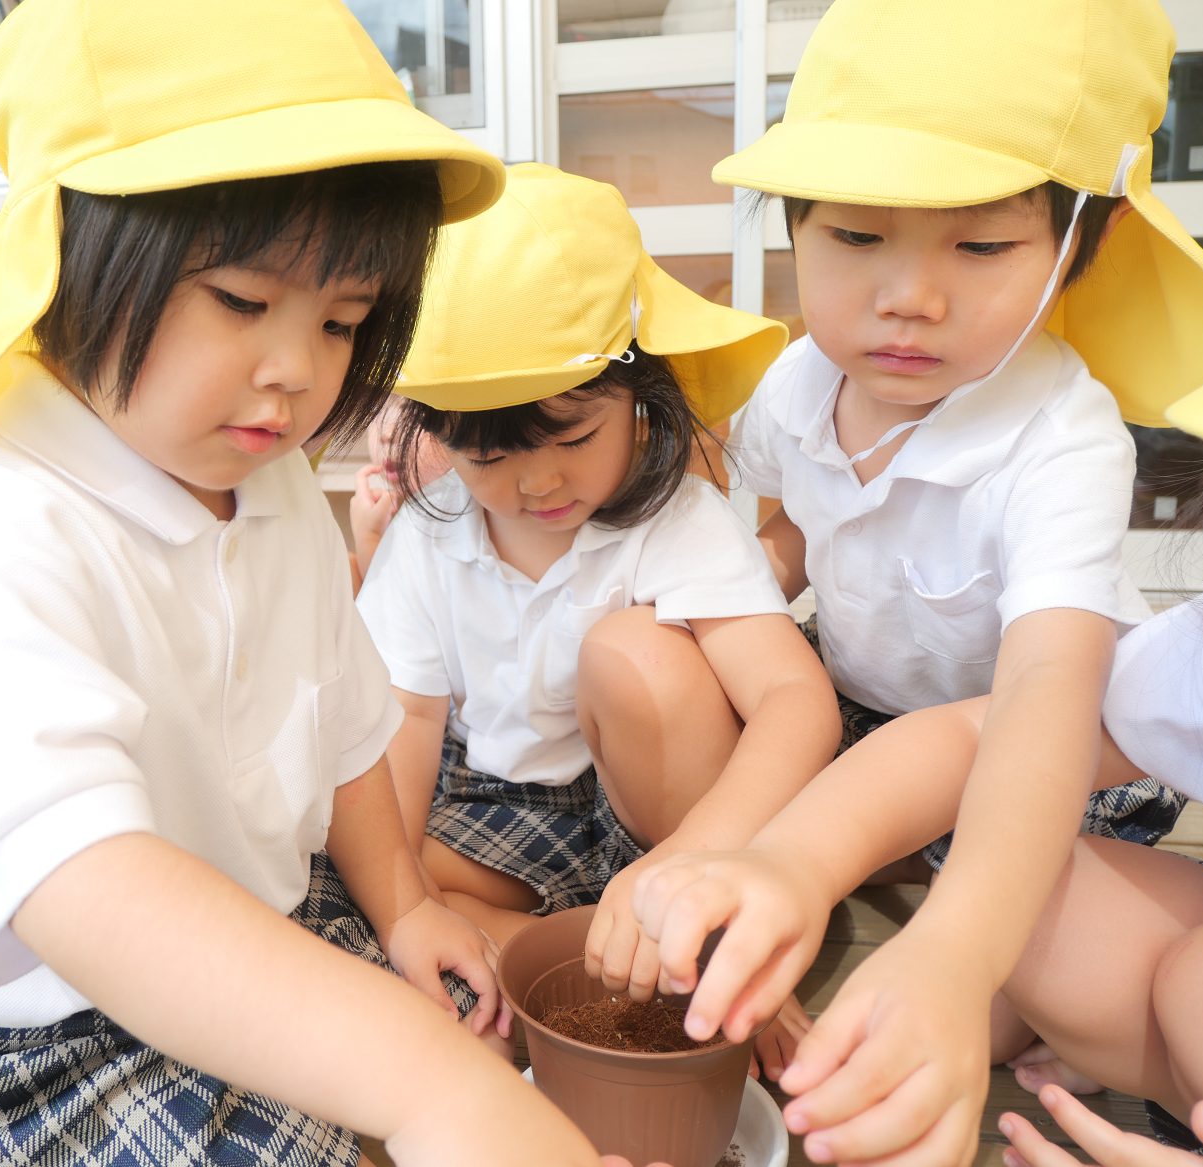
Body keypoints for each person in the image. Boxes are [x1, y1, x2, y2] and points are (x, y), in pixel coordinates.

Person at [0, 4, 645, 1165]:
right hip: (32, 1015)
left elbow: (343, 728)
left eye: (342, 322)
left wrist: (406, 905)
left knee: (472, 1032)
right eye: (243, 302)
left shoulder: (270, 489)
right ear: (68, 262)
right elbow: (98, 894)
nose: (297, 370)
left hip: (253, 903)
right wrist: (430, 1091)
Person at [610, 0, 1203, 1162]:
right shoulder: (796, 384)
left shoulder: (1059, 438)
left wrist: (952, 952)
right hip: (869, 711)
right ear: (794, 226)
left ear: (1078, 247)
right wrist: (737, 609)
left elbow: (1042, 691)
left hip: (1054, 761)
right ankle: (759, 892)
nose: (909, 297)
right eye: (854, 237)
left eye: (979, 248)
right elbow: (790, 528)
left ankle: (979, 981)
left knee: (980, 959)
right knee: (678, 671)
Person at [355, 163, 842, 1077]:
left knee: (639, 655)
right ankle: (592, 959)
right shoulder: (430, 536)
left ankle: (711, 939)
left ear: (640, 393)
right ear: (437, 434)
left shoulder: (674, 518)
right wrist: (404, 904)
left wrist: (696, 859)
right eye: (489, 457)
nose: (538, 482)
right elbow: (408, 722)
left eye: (574, 436)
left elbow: (795, 700)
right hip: (502, 817)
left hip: (652, 802)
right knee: (378, 859)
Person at [347, 396, 451, 588]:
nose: (387, 434)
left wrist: (368, 536)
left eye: (414, 415)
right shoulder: (415, 515)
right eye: (378, 412)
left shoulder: (452, 522)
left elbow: (388, 598)